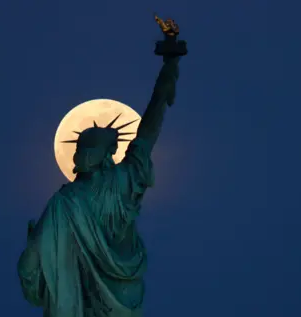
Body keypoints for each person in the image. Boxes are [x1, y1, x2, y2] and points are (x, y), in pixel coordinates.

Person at [17, 23, 182, 317]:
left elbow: (30, 268)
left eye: (83, 148)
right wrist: (169, 68)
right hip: (126, 299)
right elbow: (148, 131)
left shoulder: (64, 204)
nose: (77, 155)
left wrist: (33, 254)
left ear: (98, 155)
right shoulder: (124, 181)